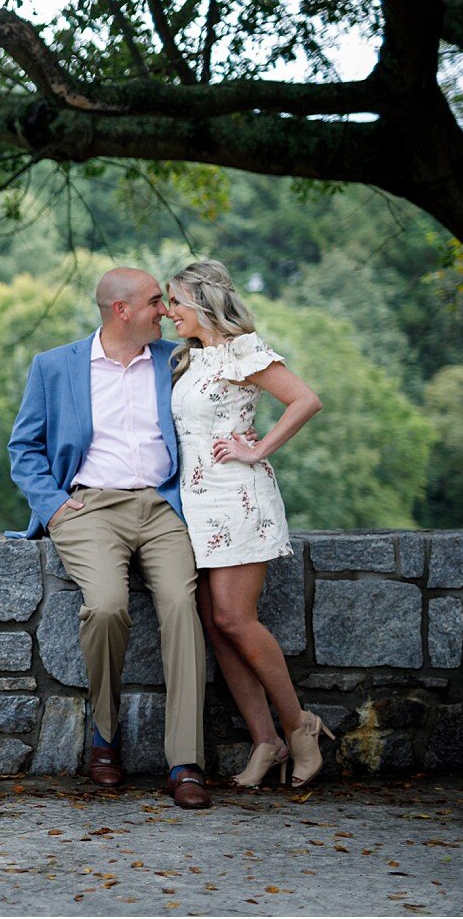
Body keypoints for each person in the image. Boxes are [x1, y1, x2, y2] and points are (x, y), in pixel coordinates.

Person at [8, 267, 211, 810]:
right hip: (88, 507)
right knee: (104, 607)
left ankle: (185, 760)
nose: (164, 311)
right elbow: (23, 449)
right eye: (153, 302)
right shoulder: (55, 367)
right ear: (121, 310)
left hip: (163, 505)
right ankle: (105, 733)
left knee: (180, 606)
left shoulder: (176, 360)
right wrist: (52, 509)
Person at [164, 259, 331, 788]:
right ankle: (267, 743)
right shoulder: (189, 359)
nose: (168, 312)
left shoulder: (244, 349)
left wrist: (256, 449)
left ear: (200, 301)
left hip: (239, 499)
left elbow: (306, 400)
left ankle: (301, 727)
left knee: (236, 618)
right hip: (198, 504)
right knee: (215, 624)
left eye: (174, 302)